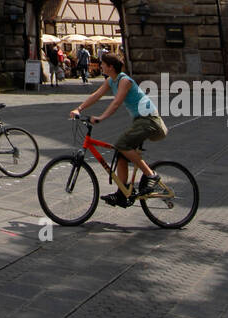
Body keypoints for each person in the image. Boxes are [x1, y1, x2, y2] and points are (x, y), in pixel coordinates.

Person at [70, 52, 167, 208]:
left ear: (110, 67)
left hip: (150, 120)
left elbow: (116, 103)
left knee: (121, 144)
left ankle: (151, 175)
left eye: (102, 64)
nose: (100, 65)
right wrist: (79, 109)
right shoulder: (111, 80)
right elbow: (96, 95)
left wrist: (101, 118)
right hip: (139, 121)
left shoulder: (124, 81)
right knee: (121, 152)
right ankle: (122, 193)